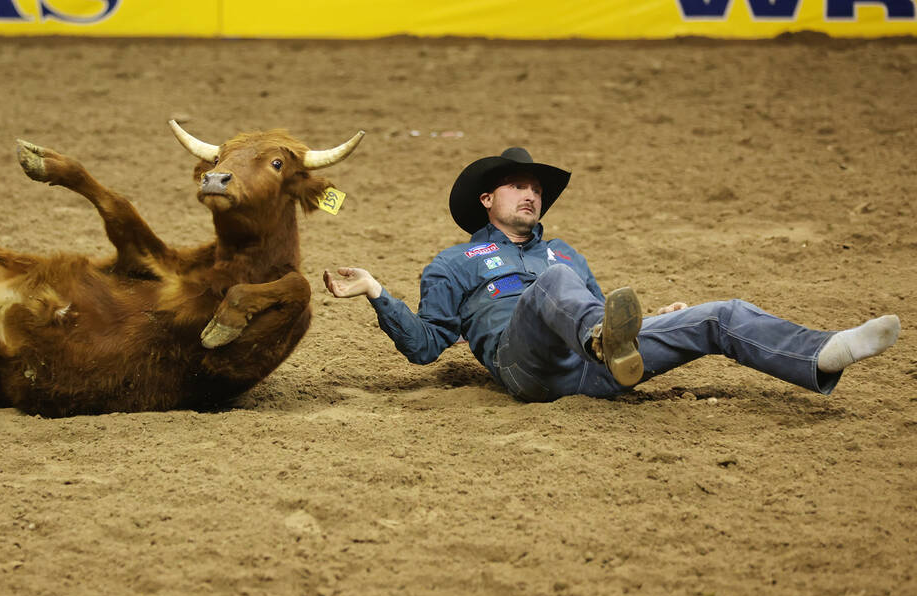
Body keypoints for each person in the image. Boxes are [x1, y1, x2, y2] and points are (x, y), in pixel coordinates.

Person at [323, 146, 901, 402]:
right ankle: (606, 342)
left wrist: (650, 325)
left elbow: (596, 310)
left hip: (600, 369)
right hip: (526, 371)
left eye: (537, 190)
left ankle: (821, 353)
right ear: (485, 198)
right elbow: (427, 348)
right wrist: (376, 291)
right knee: (553, 288)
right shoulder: (453, 263)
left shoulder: (566, 253)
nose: (532, 195)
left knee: (718, 314)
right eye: (519, 186)